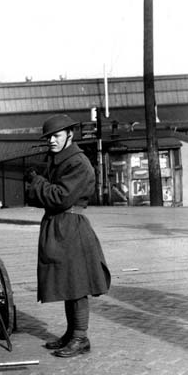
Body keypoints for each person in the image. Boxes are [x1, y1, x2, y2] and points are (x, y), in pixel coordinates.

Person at [25, 114, 111, 358]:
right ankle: (72, 332)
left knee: (76, 283)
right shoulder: (59, 159)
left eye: (56, 135)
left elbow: (60, 197)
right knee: (66, 282)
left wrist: (36, 182)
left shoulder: (77, 162)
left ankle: (80, 337)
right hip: (60, 225)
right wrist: (39, 187)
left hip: (71, 226)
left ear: (70, 135)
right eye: (49, 137)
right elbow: (43, 197)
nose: (51, 140)